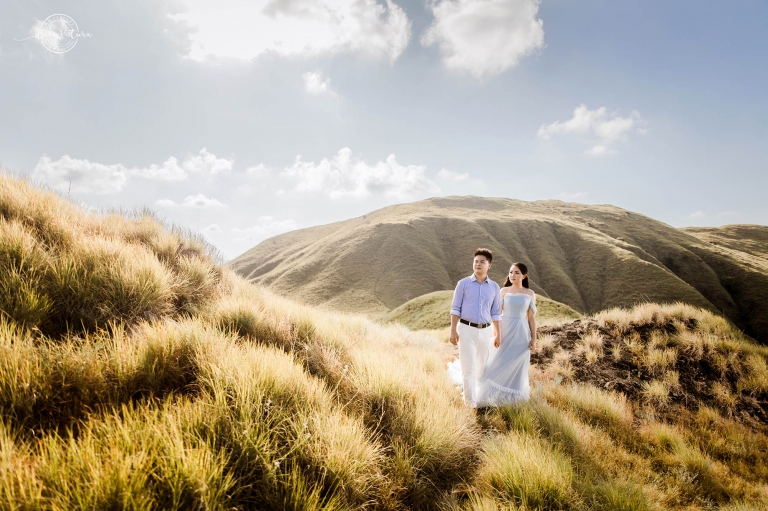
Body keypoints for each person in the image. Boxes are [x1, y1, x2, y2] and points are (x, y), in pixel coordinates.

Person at [474, 262, 537, 406]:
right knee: (498, 360)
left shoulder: (530, 293)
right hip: (505, 329)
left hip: (521, 333)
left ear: (524, 276)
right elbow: (497, 314)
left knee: (517, 363)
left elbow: (531, 318)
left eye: (516, 273)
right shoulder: (503, 291)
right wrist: (497, 333)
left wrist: (534, 338)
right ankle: (489, 394)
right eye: (511, 272)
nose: (512, 275)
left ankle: (513, 399)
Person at [448, 248, 502, 408]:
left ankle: (479, 396)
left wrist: (498, 334)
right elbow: (455, 308)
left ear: (489, 265)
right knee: (468, 367)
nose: (478, 264)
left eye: (482, 262)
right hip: (466, 329)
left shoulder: (494, 287)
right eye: (476, 261)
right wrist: (453, 330)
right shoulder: (463, 284)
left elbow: (495, 313)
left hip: (486, 331)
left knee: (482, 367)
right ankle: (470, 403)